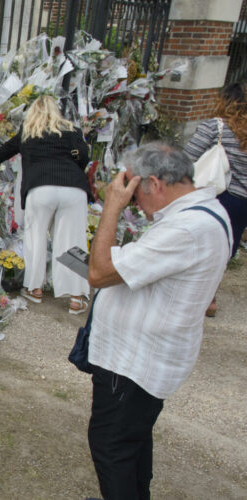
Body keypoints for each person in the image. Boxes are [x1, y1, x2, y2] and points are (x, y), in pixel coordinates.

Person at [86, 143, 231, 500]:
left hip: (135, 362)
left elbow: (100, 271)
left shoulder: (188, 228)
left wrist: (112, 207)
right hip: (145, 358)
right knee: (132, 443)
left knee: (111, 446)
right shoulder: (200, 213)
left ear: (155, 183)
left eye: (136, 194)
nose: (135, 203)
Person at [0, 95, 91, 313]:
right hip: (73, 188)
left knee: (35, 238)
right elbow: (84, 156)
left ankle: (34, 288)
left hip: (40, 189)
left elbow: (3, 152)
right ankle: (76, 296)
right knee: (73, 240)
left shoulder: (28, 133)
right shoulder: (72, 131)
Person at [184, 82, 247, 316]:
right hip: (243, 203)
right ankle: (210, 297)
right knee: (224, 250)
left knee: (200, 246)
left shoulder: (216, 127)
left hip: (217, 195)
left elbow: (187, 157)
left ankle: (197, 296)